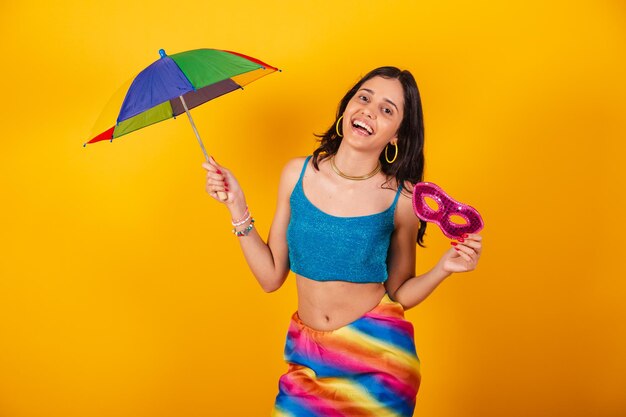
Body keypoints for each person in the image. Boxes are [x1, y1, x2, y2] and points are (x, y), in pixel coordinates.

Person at [202, 66, 483, 417]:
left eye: (387, 109)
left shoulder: (402, 198)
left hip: (377, 359)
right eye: (363, 97)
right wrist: (236, 206)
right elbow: (271, 277)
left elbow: (399, 293)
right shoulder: (296, 174)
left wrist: (444, 268)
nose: (368, 110)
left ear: (397, 135)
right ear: (347, 106)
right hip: (307, 358)